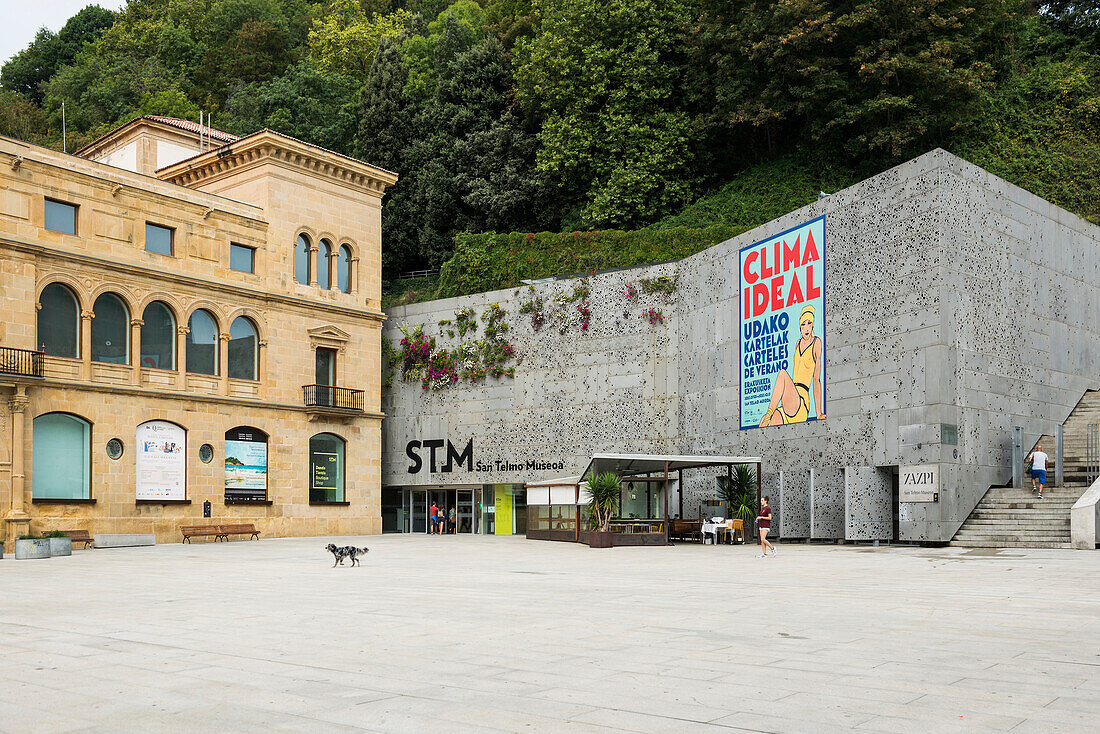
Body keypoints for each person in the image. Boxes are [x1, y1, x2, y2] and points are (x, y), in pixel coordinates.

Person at [760, 305, 826, 427]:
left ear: (813, 325)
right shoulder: (797, 343)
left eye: (809, 323)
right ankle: (767, 415)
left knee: (782, 374)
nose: (806, 328)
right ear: (800, 327)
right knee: (763, 422)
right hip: (789, 401)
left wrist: (818, 413)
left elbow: (816, 379)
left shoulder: (817, 343)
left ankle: (769, 412)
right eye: (803, 324)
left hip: (801, 402)